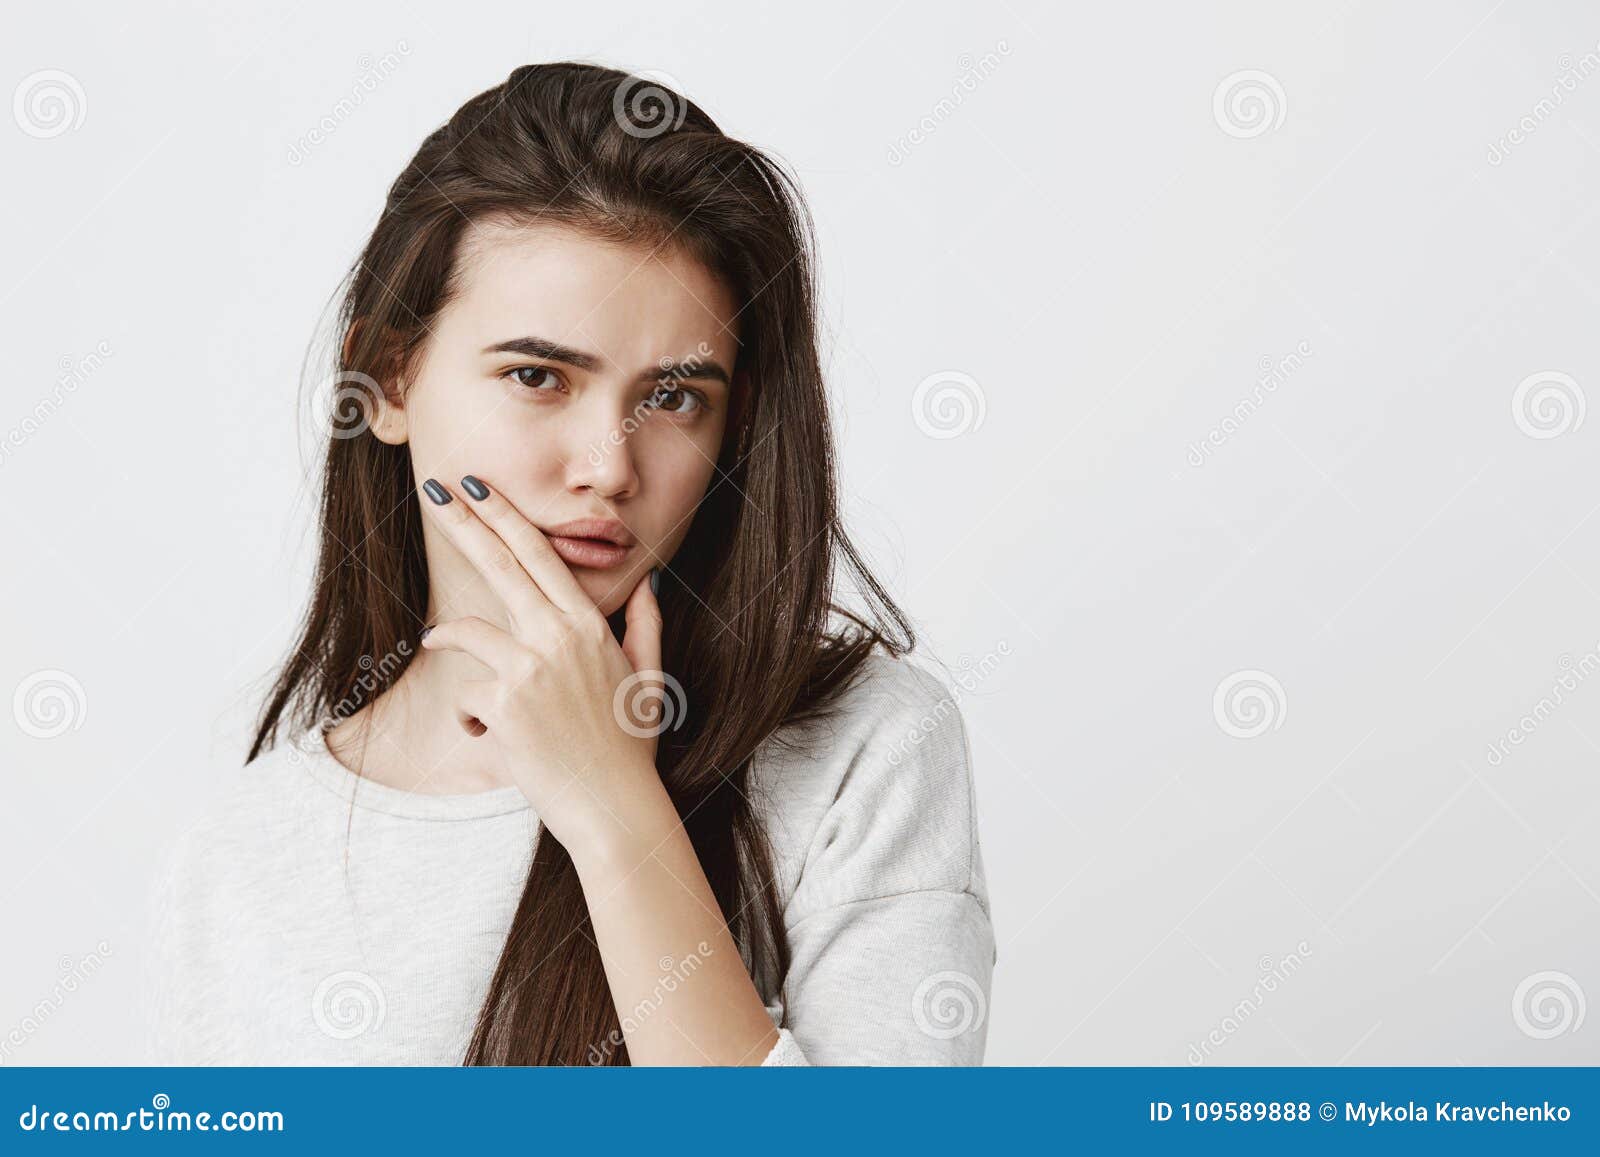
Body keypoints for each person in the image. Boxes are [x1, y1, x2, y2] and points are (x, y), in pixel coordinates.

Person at [142, 61, 995, 1066]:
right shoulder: (244, 854)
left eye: (675, 398)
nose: (608, 467)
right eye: (537, 376)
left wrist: (609, 803)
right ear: (386, 377)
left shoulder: (862, 748)